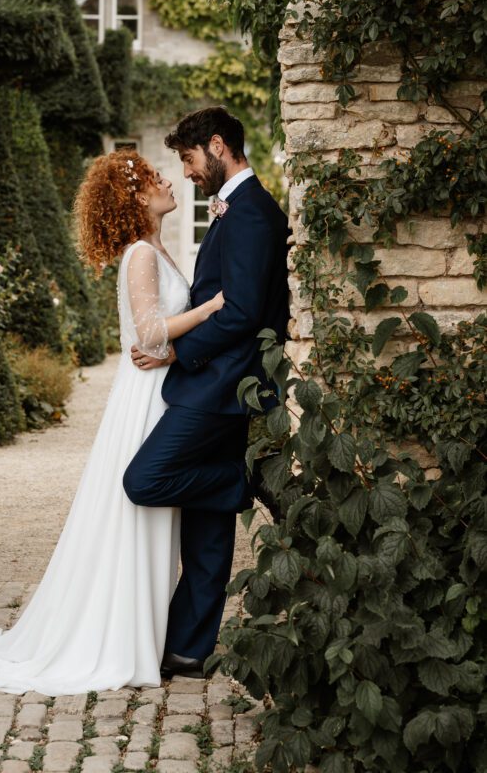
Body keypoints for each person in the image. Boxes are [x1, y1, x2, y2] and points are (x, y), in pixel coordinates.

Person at [0, 149, 223, 694]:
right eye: (157, 179)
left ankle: (143, 634)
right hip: (145, 395)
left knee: (155, 517)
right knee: (141, 513)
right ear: (136, 198)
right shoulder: (140, 253)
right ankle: (121, 640)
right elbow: (147, 334)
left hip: (162, 386)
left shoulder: (155, 248)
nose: (167, 183)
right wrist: (209, 310)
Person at [123, 106, 290, 680]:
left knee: (144, 479)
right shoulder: (236, 209)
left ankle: (237, 482)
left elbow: (241, 310)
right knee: (207, 538)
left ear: (217, 146)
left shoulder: (248, 215)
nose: (189, 173)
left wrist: (176, 352)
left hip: (220, 386)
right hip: (219, 383)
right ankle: (188, 651)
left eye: (190, 160)